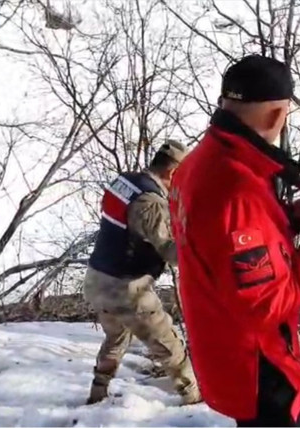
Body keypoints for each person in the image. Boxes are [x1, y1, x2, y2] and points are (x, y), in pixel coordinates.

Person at [168, 54, 300, 427]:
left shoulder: (199, 163)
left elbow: (221, 245)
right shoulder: (237, 189)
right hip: (257, 365)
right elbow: (267, 305)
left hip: (225, 350)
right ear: (275, 116)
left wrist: (288, 220)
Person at [82, 140, 200, 406]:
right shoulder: (150, 202)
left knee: (117, 337)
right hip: (127, 289)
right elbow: (172, 253)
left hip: (96, 279)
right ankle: (193, 398)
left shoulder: (125, 182)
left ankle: (98, 393)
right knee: (169, 345)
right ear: (173, 173)